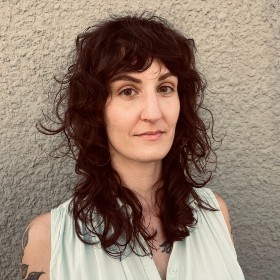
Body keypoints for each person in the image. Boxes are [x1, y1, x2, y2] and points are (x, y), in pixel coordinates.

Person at [21, 14, 245, 280]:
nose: (153, 113)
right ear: (96, 109)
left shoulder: (216, 214)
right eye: (128, 90)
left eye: (165, 88)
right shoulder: (49, 238)